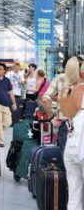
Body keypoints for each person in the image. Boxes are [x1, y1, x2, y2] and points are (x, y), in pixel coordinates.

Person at [59, 56, 84, 210]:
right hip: (82, 141)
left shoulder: (65, 91)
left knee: (74, 189)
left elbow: (67, 114)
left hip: (71, 142)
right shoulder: (81, 90)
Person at [41, 58, 71, 151]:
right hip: (78, 123)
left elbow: (45, 100)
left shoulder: (59, 78)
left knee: (66, 155)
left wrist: (51, 118)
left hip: (65, 123)